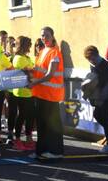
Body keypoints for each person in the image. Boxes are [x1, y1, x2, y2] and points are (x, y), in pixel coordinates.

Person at [29, 26, 64, 160]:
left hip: (51, 95)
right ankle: (40, 151)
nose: (44, 38)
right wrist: (27, 72)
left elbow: (50, 75)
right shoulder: (42, 51)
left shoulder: (55, 53)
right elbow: (37, 70)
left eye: (47, 35)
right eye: (42, 35)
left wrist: (34, 83)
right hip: (40, 94)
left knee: (52, 125)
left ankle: (56, 152)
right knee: (42, 125)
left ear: (52, 36)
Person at [83, 45, 108, 154]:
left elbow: (107, 84)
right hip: (100, 96)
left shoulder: (104, 65)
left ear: (96, 55)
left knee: (106, 119)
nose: (91, 61)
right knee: (97, 115)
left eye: (92, 59)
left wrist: (101, 97)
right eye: (89, 60)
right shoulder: (94, 65)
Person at [7, 36, 35, 151]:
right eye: (29, 44)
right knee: (22, 116)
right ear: (23, 45)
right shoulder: (19, 58)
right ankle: (17, 140)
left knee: (29, 116)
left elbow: (32, 70)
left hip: (29, 91)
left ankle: (28, 139)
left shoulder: (26, 57)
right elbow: (29, 74)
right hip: (22, 91)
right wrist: (33, 74)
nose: (30, 46)